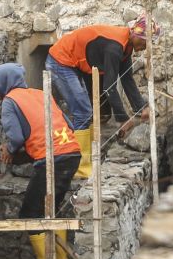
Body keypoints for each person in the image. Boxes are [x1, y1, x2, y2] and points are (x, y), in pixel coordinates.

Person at [0, 63, 81, 259]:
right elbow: (69, 124)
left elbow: (16, 137)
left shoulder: (10, 101)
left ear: (4, 83)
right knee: (50, 211)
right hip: (71, 153)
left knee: (30, 214)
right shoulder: (41, 93)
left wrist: (9, 150)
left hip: (53, 158)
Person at [45, 16, 155, 178]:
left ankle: (86, 160)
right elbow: (109, 86)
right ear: (136, 35)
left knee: (85, 111)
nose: (145, 47)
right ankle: (80, 168)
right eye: (145, 42)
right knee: (82, 111)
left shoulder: (127, 46)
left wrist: (141, 108)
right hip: (60, 61)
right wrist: (123, 118)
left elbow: (126, 78)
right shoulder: (115, 48)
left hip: (76, 64)